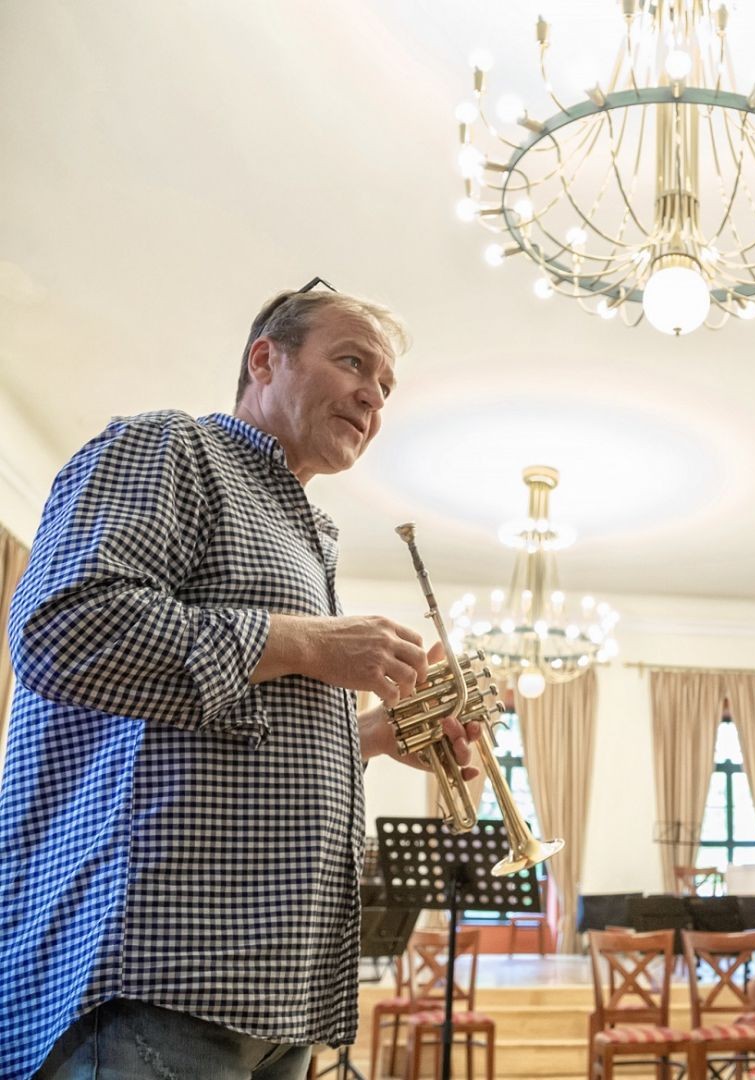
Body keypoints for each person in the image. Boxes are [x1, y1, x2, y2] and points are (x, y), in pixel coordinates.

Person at [0, 282, 478, 1079]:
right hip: (156, 978)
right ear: (265, 360)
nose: (373, 396)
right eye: (352, 362)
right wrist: (306, 642)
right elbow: (64, 631)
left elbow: (226, 734)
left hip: (277, 997)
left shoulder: (307, 531)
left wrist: (367, 736)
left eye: (385, 386)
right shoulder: (169, 446)